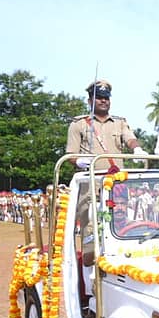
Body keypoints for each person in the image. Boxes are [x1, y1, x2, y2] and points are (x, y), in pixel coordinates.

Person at [66, 80, 146, 267]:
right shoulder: (78, 124)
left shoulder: (119, 123)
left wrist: (137, 150)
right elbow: (70, 153)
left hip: (116, 185)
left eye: (106, 98)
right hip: (90, 185)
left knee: (120, 228)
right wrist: (77, 161)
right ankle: (89, 281)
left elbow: (130, 139)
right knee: (90, 231)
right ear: (90, 100)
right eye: (99, 98)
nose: (103, 101)